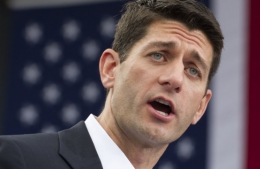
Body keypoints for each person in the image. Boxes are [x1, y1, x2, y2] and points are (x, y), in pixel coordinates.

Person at [0, 0, 224, 168]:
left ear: (200, 108)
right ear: (110, 69)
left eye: (193, 70)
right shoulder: (17, 160)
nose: (175, 79)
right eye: (159, 55)